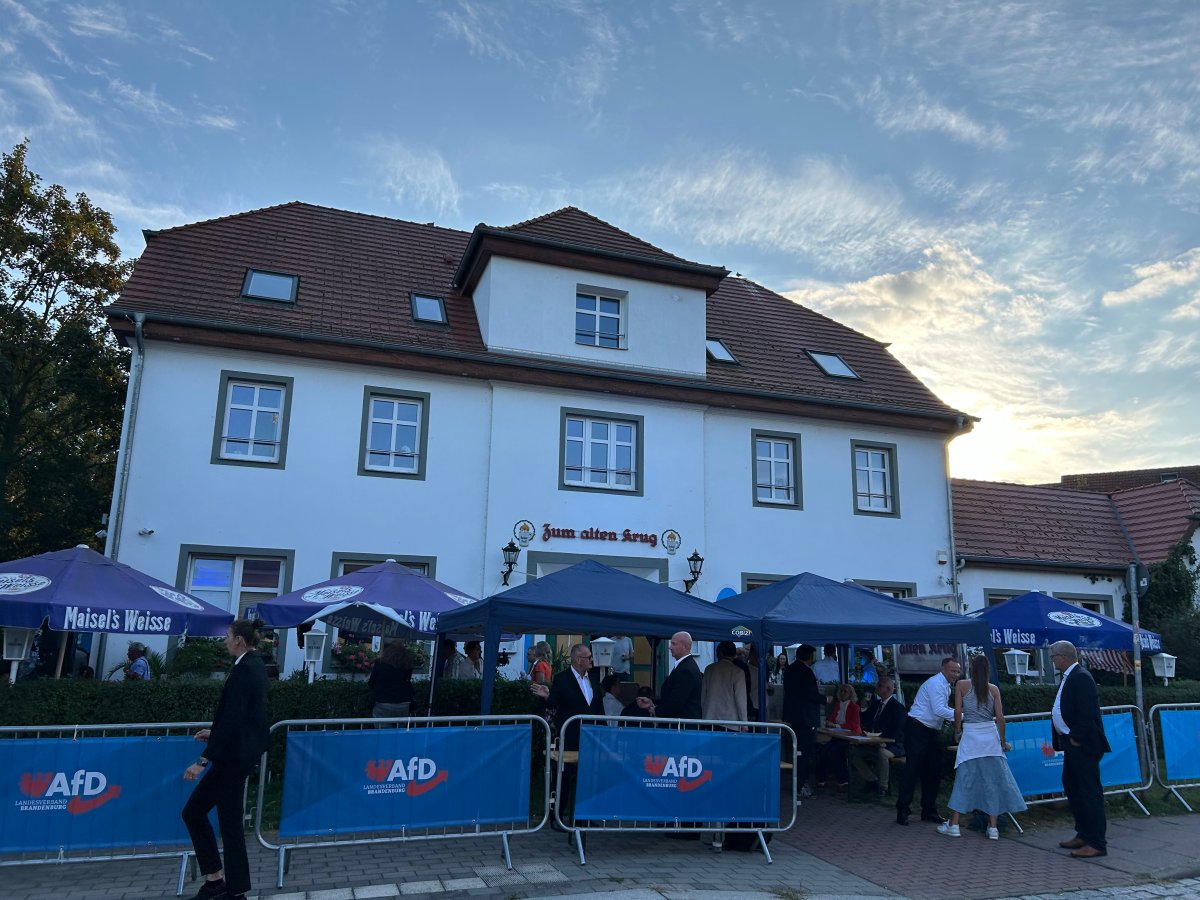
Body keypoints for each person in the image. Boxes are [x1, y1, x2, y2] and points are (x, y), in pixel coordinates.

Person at [181, 619, 270, 900]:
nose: (225, 641)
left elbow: (234, 717)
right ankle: (232, 888)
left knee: (193, 812)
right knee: (229, 821)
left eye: (228, 637)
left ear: (240, 641)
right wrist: (215, 733)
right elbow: (240, 716)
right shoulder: (254, 665)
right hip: (239, 753)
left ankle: (216, 880)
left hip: (233, 757)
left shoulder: (245, 669)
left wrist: (203, 760)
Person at [937, 654, 1026, 839]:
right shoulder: (993, 689)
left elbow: (958, 712)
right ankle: (993, 828)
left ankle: (954, 824)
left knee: (964, 779)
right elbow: (1000, 718)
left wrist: (957, 732)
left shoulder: (962, 685)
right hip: (990, 737)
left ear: (970, 667)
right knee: (992, 781)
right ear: (988, 670)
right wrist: (1002, 741)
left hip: (970, 735)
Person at [1050, 640, 1111, 859]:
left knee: (1089, 792)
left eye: (1053, 657)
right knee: (1073, 786)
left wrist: (1076, 737)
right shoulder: (1070, 677)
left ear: (1063, 656)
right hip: (1070, 742)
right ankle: (1084, 833)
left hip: (1082, 745)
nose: (1052, 661)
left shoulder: (1081, 677)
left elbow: (1088, 712)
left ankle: (1097, 842)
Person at [896, 656, 961, 826]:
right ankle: (902, 810)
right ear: (943, 669)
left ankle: (929, 810)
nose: (956, 674)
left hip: (930, 731)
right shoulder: (936, 684)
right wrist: (962, 716)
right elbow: (939, 710)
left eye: (958, 671)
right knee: (912, 770)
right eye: (953, 671)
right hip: (917, 729)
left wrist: (957, 715)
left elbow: (941, 709)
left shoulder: (944, 684)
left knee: (933, 770)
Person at [851, 675, 906, 799]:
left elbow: (898, 731)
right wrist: (863, 707)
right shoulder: (876, 704)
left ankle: (884, 787)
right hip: (873, 741)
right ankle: (872, 780)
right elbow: (863, 719)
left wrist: (884, 741)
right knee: (853, 752)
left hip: (893, 744)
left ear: (888, 689)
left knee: (883, 753)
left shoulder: (898, 708)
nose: (876, 687)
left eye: (880, 685)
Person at [782, 644, 825, 799]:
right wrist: (825, 699)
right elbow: (810, 693)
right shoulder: (805, 672)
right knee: (805, 753)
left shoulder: (790, 669)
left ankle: (799, 782)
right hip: (805, 718)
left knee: (796, 751)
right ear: (809, 656)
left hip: (793, 717)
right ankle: (801, 784)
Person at [637, 631, 702, 719]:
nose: (670, 647)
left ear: (684, 647)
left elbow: (676, 702)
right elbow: (672, 698)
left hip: (681, 726)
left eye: (674, 644)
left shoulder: (686, 670)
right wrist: (652, 703)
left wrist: (656, 710)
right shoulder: (683, 666)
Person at [816, 683, 861, 789]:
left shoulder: (854, 707)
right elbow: (832, 718)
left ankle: (843, 780)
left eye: (845, 691)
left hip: (849, 736)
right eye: (841, 691)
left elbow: (854, 724)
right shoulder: (837, 705)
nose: (842, 693)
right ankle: (822, 779)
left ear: (850, 693)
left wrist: (836, 725)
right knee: (823, 750)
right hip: (837, 736)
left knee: (835, 751)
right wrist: (828, 722)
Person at [701, 641, 748, 727]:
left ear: (719, 653)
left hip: (709, 719)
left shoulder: (709, 669)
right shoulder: (738, 672)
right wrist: (744, 723)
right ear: (734, 654)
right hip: (730, 722)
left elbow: (703, 696)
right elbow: (741, 700)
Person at [368, 640, 413, 719]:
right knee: (400, 730)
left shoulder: (380, 663)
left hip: (383, 701)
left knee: (382, 730)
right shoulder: (407, 665)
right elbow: (408, 681)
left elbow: (371, 682)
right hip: (403, 702)